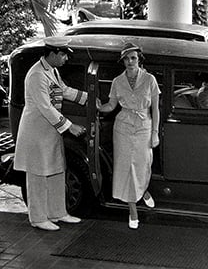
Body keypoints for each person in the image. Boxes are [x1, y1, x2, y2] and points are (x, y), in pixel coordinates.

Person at [13, 40, 88, 231]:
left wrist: (89, 98)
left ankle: (58, 212)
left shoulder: (52, 70)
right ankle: (38, 217)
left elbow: (63, 90)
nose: (66, 58)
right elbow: (46, 107)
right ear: (53, 53)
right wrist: (70, 126)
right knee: (37, 174)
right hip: (36, 132)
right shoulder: (37, 75)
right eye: (63, 55)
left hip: (51, 131)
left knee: (56, 171)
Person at [98, 43, 160, 229]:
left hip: (144, 126)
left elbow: (155, 108)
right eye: (126, 59)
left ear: (139, 59)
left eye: (133, 58)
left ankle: (144, 190)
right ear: (122, 61)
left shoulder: (150, 79)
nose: (130, 62)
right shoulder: (117, 81)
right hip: (123, 126)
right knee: (126, 167)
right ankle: (133, 210)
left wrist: (155, 132)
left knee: (143, 164)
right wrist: (99, 107)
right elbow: (111, 105)